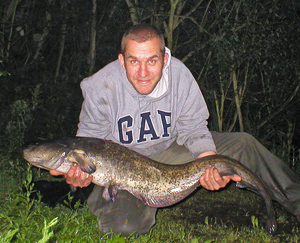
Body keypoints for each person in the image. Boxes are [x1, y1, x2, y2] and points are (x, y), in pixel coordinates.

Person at [50, 24, 300, 235]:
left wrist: (207, 161)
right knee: (125, 226)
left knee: (243, 144)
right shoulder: (100, 87)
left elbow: (193, 127)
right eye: (134, 61)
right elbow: (87, 144)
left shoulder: (179, 75)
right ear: (121, 61)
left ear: (165, 59)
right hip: (123, 169)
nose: (143, 72)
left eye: (152, 61)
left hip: (171, 152)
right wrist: (76, 176)